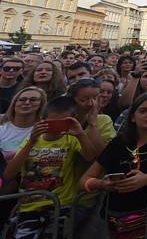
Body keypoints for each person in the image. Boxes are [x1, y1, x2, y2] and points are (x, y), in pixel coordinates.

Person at [80, 93, 147, 239]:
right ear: (132, 117)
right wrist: (101, 184)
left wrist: (146, 179)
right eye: (143, 111)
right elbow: (85, 180)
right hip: (113, 215)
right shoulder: (118, 143)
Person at [4, 96, 96, 238]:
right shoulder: (31, 140)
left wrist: (80, 134)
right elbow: (9, 174)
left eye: (62, 123)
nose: (55, 127)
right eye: (51, 122)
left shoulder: (71, 139)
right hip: (29, 206)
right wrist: (31, 142)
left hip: (60, 206)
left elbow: (91, 157)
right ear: (42, 119)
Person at [0, 87, 47, 161]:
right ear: (15, 103)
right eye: (22, 99)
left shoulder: (44, 129)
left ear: (41, 104)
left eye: (33, 100)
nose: (27, 102)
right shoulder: (2, 129)